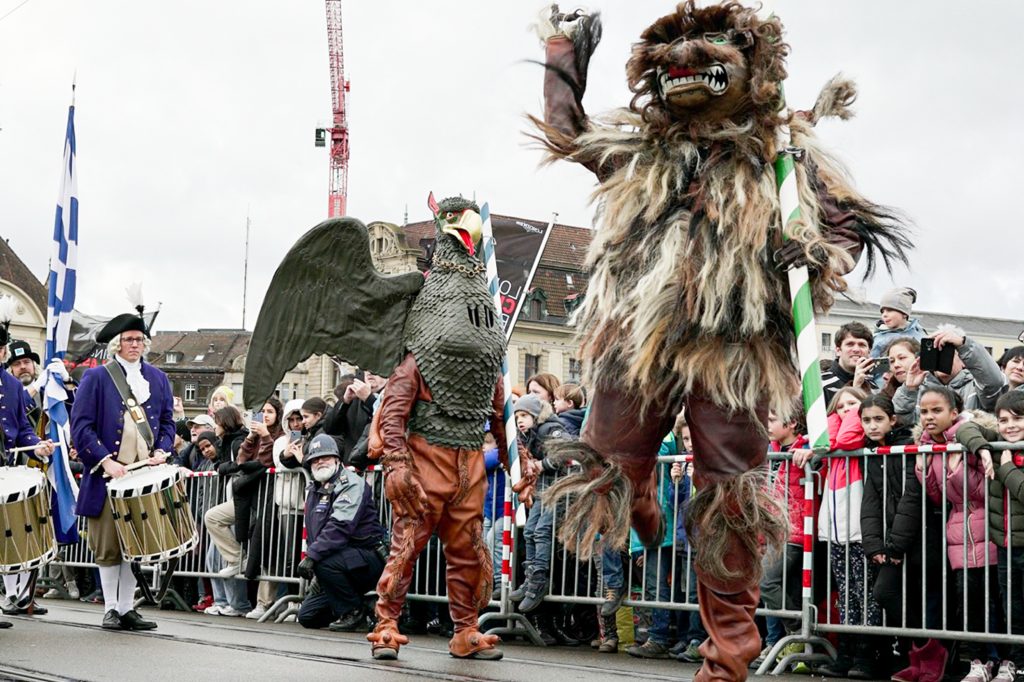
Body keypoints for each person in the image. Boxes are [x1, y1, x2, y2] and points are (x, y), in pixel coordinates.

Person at [69, 306, 173, 631]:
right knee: (110, 546)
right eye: (128, 339)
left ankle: (128, 608)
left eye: (139, 339)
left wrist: (162, 450)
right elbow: (81, 425)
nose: (134, 345)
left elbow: (169, 422)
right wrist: (105, 461)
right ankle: (111, 608)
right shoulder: (97, 377)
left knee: (136, 545)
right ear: (117, 344)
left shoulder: (158, 378)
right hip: (108, 474)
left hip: (143, 474)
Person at [916, 385, 1001, 678]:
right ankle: (978, 661)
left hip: (988, 529)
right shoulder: (930, 447)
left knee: (994, 600)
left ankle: (1000, 659)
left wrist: (957, 469)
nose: (929, 417)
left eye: (936, 410)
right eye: (924, 411)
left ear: (954, 413)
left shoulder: (972, 438)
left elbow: (987, 490)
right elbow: (940, 498)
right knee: (969, 601)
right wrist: (923, 469)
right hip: (958, 534)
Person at [813, 386, 884, 679]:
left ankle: (866, 654)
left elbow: (844, 437)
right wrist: (834, 415)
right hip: (836, 530)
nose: (846, 409)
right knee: (846, 594)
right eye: (840, 406)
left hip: (859, 531)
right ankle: (846, 653)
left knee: (864, 593)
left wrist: (855, 410)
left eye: (852, 404)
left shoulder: (856, 438)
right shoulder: (835, 443)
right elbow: (828, 436)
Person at [956, 390, 1024, 682]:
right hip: (1006, 544)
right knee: (1013, 608)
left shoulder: (1006, 457)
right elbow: (965, 427)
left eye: (1018, 419)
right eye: (1003, 420)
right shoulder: (997, 444)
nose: (1009, 426)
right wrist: (983, 448)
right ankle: (1017, 663)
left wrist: (1006, 468)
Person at [296, 434, 387, 630]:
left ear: (337, 459)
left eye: (325, 457)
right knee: (308, 617)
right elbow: (316, 533)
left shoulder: (351, 483)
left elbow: (340, 527)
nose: (320, 462)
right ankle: (365, 607)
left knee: (324, 563)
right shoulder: (315, 489)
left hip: (366, 558)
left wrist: (313, 557)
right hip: (337, 562)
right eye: (315, 459)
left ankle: (354, 613)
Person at [0, 333, 55, 625]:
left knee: (5, 535)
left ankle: (17, 597)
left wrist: (37, 444)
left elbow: (23, 428)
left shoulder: (11, 386)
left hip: (6, 470)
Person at [753, 407, 811, 671]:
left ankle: (798, 629)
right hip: (772, 531)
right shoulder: (769, 451)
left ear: (792, 423)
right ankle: (796, 638)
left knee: (767, 581)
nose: (767, 424)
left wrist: (811, 453)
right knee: (784, 587)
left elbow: (823, 454)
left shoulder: (805, 447)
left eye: (773, 420)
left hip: (794, 531)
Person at [509, 394, 571, 614]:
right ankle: (530, 577)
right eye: (517, 416)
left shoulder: (550, 429)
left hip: (560, 487)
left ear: (536, 415)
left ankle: (539, 580)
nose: (520, 420)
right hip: (543, 489)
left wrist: (543, 465)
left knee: (543, 530)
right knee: (529, 531)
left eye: (524, 415)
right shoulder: (527, 436)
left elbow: (566, 450)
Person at [894, 326, 1008, 424]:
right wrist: (909, 389)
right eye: (937, 353)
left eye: (947, 353)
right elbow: (905, 422)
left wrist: (963, 344)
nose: (942, 358)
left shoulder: (976, 385)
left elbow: (994, 382)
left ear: (963, 360)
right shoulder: (920, 389)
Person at [203, 406, 251, 617]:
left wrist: (222, 467)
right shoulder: (226, 442)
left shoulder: (238, 440)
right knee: (213, 557)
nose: (214, 427)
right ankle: (222, 601)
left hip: (241, 500)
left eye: (216, 422)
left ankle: (238, 603)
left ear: (225, 422)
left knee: (227, 558)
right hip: (231, 498)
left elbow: (242, 464)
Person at [822, 322, 877, 403]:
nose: (856, 349)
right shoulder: (821, 384)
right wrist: (856, 388)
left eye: (862, 345)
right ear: (838, 350)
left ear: (869, 352)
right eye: (850, 344)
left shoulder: (874, 387)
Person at [871, 288, 926, 365]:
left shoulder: (920, 335)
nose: (884, 315)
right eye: (882, 311)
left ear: (904, 313)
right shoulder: (877, 339)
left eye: (889, 310)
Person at [6, 339, 43, 430]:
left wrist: (67, 382)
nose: (23, 366)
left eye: (26, 362)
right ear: (11, 370)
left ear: (34, 365)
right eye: (17, 364)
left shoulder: (46, 389)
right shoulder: (5, 393)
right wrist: (35, 388)